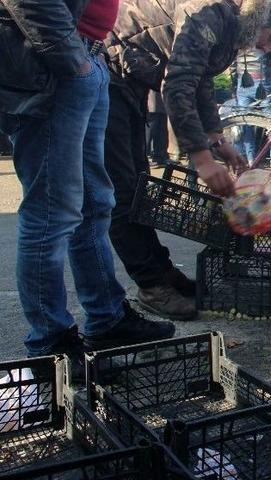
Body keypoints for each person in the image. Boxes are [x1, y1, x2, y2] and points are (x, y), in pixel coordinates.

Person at [0, 0, 176, 364]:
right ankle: (51, 344)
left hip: (87, 58)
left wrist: (85, 61)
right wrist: (71, 58)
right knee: (52, 213)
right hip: (55, 65)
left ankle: (106, 318)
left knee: (96, 204)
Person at [104, 0, 271, 320]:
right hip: (110, 70)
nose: (266, 49)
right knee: (122, 191)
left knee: (138, 184)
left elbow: (203, 81)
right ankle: (152, 286)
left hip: (131, 78)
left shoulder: (233, 28)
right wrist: (202, 159)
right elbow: (179, 83)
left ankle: (162, 272)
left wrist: (217, 140)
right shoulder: (212, 9)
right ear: (263, 17)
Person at [234, 47, 271, 166]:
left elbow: (232, 64)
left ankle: (251, 159)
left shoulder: (239, 35)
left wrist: (234, 85)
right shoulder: (266, 33)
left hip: (243, 80)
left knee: (246, 122)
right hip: (263, 80)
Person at [147, 91, 170, 166]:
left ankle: (160, 156)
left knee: (162, 131)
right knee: (150, 129)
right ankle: (145, 156)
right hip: (152, 102)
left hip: (161, 101)